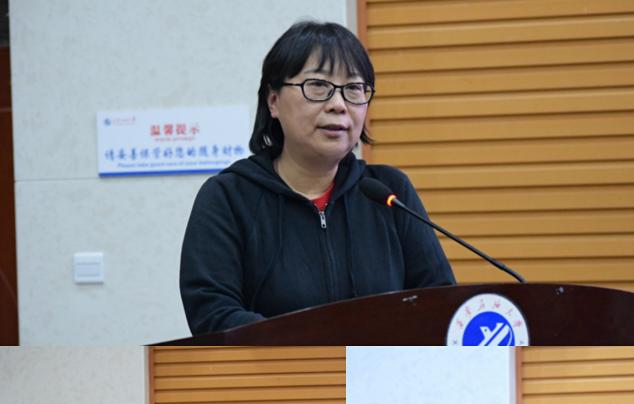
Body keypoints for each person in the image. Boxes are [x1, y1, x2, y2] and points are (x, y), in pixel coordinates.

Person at [180, 21, 455, 336]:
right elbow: (213, 315)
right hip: (273, 368)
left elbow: (440, 304)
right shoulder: (228, 197)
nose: (338, 105)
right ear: (273, 101)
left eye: (353, 89)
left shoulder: (389, 192)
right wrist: (315, 347)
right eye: (318, 86)